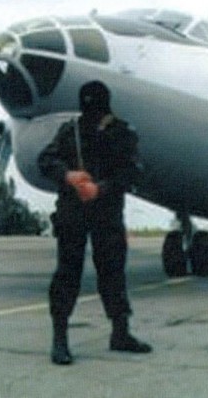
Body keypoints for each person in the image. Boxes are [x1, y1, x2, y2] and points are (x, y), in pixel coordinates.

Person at [38, 81, 151, 365]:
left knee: (112, 273)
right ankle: (60, 339)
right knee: (68, 273)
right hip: (73, 212)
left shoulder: (122, 133)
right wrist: (69, 176)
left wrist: (100, 189)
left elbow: (133, 172)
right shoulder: (71, 131)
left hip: (106, 212)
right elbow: (46, 160)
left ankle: (120, 333)